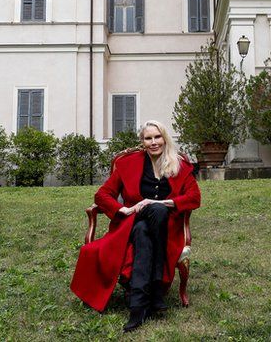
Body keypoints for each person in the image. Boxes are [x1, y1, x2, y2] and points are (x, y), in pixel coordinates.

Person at [70, 120, 201, 332]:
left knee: (149, 222)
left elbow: (194, 198)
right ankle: (156, 292)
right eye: (148, 138)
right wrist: (122, 210)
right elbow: (102, 195)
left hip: (166, 228)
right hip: (131, 223)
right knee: (141, 225)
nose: (154, 142)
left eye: (157, 137)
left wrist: (157, 202)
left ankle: (137, 306)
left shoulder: (180, 165)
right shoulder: (128, 163)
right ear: (142, 142)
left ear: (165, 138)